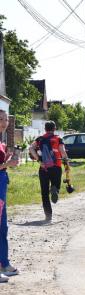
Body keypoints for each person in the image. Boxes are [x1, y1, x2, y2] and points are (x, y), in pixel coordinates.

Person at [29, 121, 69, 222]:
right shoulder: (58, 139)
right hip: (56, 167)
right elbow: (63, 152)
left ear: (45, 129)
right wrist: (66, 163)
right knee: (56, 185)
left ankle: (48, 215)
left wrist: (39, 160)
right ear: (54, 128)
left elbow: (31, 148)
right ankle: (55, 189)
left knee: (44, 193)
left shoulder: (40, 139)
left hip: (44, 168)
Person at [0, 109, 20, 282]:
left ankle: (3, 263)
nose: (4, 122)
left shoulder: (2, 140)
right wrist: (7, 163)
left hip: (2, 182)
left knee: (3, 226)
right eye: (1, 119)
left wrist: (9, 159)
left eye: (6, 119)